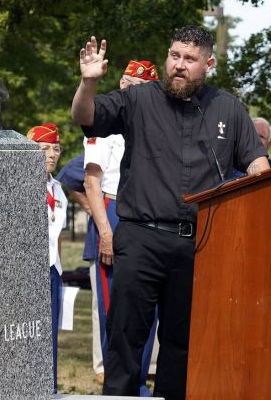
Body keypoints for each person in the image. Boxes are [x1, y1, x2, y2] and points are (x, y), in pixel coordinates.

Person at [71, 27, 269, 399]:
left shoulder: (228, 108)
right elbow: (86, 116)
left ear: (208, 64)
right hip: (140, 239)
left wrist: (265, 179)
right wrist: (88, 83)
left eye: (190, 59)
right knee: (125, 338)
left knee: (182, 344)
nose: (179, 65)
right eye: (174, 56)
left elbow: (255, 160)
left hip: (198, 246)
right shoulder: (138, 99)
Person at [84, 60, 161, 391]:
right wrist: (105, 232)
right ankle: (115, 386)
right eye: (129, 84)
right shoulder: (110, 119)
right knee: (114, 309)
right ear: (121, 83)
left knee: (147, 308)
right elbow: (91, 182)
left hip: (147, 213)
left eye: (142, 87)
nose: (133, 91)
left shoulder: (156, 122)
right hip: (113, 209)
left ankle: (139, 384)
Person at [27, 122, 67, 393]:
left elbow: (58, 234)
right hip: (30, 271)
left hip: (53, 270)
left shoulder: (58, 189)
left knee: (50, 336)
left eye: (56, 149)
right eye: (43, 149)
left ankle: (49, 390)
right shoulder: (20, 187)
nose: (51, 155)